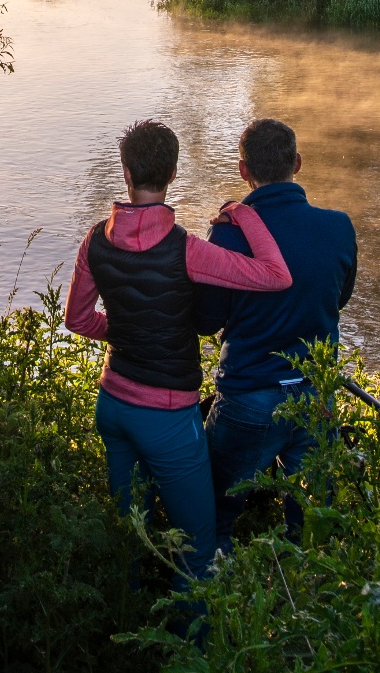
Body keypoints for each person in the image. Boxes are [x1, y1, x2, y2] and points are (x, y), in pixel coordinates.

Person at [64, 118, 294, 580]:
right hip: (167, 418)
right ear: (172, 175)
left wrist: (130, 330)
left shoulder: (94, 240)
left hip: (112, 405)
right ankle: (193, 646)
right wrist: (245, 213)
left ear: (126, 173)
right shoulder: (186, 249)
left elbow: (79, 320)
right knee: (198, 550)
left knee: (132, 533)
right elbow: (276, 275)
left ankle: (132, 623)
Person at [196, 118, 358, 541]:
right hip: (315, 396)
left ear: (243, 170)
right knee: (312, 526)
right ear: (297, 163)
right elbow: (338, 299)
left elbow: (207, 320)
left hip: (249, 396)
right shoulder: (339, 227)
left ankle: (220, 599)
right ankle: (304, 594)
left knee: (214, 512)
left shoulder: (228, 234)